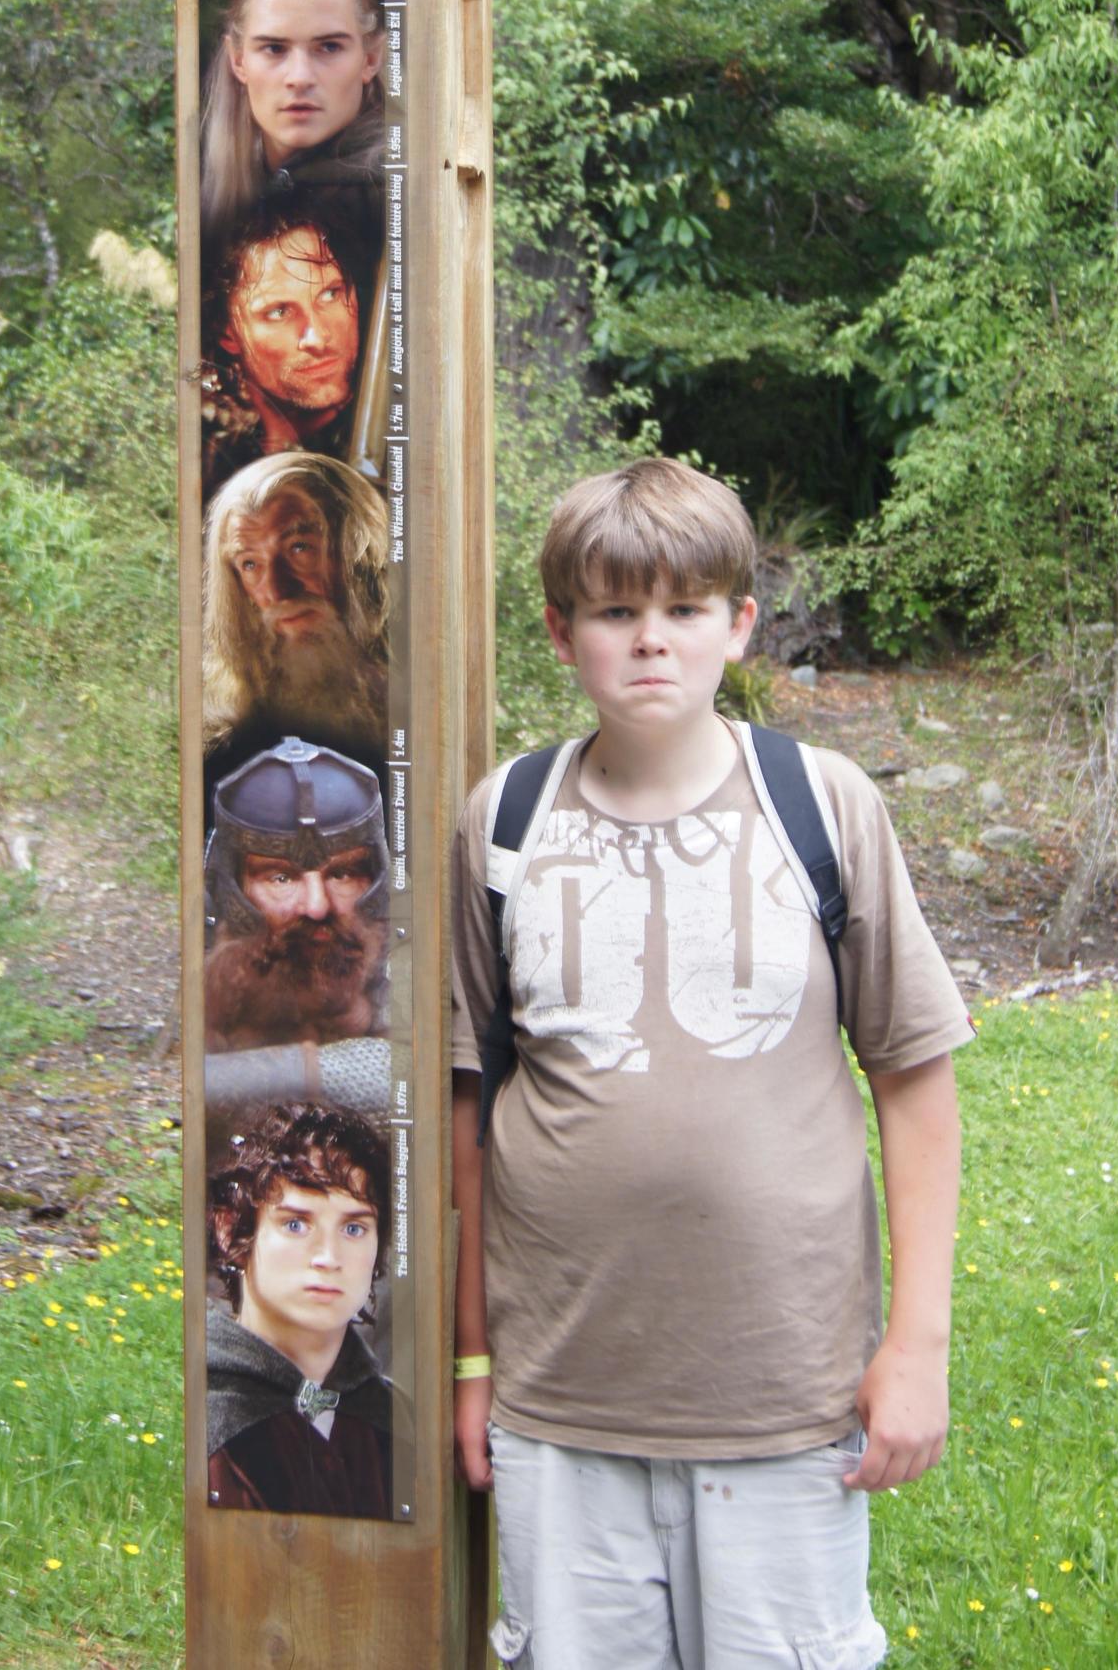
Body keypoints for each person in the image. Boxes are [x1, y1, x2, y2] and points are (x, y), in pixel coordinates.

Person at [451, 457, 974, 1670]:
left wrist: (918, 1346)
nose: (651, 639)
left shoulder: (821, 804)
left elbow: (914, 1078)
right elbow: (471, 1106)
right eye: (615, 609)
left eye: (683, 608)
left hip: (784, 1401)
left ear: (738, 623)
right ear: (562, 631)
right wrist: (473, 1362)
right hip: (560, 1400)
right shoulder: (505, 820)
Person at [206, 1101, 394, 1516]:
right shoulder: (203, 1412)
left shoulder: (398, 1417)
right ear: (229, 1229)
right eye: (295, 1224)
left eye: (354, 1228)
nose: (328, 1257)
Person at [203, 451, 387, 780]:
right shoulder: (221, 732)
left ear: (362, 552)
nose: (277, 590)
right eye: (250, 564)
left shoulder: (421, 698)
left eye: (299, 547)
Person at [204, 735, 389, 1058]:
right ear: (234, 889)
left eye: (341, 875)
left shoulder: (409, 968)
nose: (317, 907)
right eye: (281, 878)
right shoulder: (207, 976)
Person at [200, 0, 384, 234]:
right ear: (238, 60)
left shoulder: (391, 195)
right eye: (274, 48)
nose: (300, 77)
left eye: (329, 47)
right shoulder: (208, 192)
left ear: (371, 59)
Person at [200, 193, 378, 488]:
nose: (317, 337)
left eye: (330, 294)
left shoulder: (380, 440)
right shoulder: (216, 462)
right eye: (279, 312)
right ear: (227, 333)